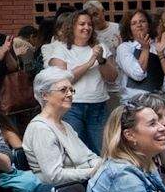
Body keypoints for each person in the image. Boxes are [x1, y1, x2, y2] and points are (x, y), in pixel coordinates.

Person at [43, 10, 113, 150]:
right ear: (72, 27)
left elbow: (112, 77)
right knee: (75, 150)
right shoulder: (60, 49)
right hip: (72, 106)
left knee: (102, 149)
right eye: (82, 24)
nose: (86, 27)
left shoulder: (101, 48)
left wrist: (101, 60)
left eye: (89, 24)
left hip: (98, 105)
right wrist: (89, 62)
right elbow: (62, 80)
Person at [115, 8, 165, 98]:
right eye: (134, 23)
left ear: (149, 25)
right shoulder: (124, 48)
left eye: (142, 21)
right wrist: (145, 49)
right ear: (129, 29)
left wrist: (161, 54)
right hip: (134, 101)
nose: (139, 25)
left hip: (159, 100)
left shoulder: (158, 45)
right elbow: (138, 74)